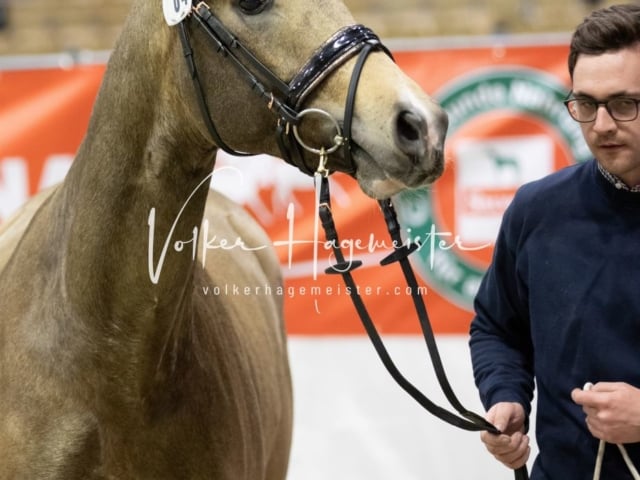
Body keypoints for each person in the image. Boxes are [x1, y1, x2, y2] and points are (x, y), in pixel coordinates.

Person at [469, 3, 640, 479]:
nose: (602, 125)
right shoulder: (538, 210)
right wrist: (505, 397)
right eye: (586, 104)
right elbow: (496, 327)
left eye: (624, 103)